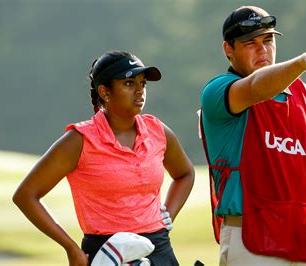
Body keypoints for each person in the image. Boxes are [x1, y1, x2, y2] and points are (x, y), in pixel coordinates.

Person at [199, 5, 306, 266]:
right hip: (251, 237)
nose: (263, 50)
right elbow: (257, 87)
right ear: (228, 49)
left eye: (268, 40)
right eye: (250, 43)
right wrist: (302, 63)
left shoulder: (302, 92)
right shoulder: (218, 91)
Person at [13, 50, 195, 266]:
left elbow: (185, 173)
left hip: (158, 250)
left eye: (142, 83)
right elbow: (26, 195)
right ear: (105, 92)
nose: (139, 91)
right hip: (105, 254)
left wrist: (167, 218)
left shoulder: (157, 130)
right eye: (129, 83)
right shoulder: (79, 140)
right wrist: (70, 247)